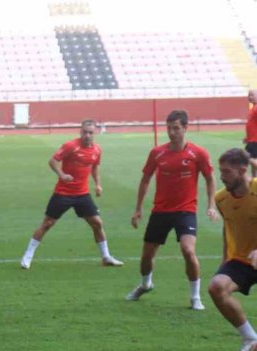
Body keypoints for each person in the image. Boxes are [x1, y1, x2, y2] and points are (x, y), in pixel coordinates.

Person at [126, 109, 217, 310]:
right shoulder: (157, 153)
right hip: (160, 211)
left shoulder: (198, 153)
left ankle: (195, 298)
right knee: (146, 257)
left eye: (176, 128)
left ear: (185, 128)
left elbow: (210, 178)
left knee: (188, 251)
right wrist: (138, 209)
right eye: (169, 128)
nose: (172, 132)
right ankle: (145, 284)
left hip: (186, 211)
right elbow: (145, 179)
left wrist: (211, 205)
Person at [20, 119, 124, 269]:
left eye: (90, 133)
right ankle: (28, 255)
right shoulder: (71, 146)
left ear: (94, 133)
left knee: (97, 223)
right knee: (47, 223)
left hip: (82, 194)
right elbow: (53, 161)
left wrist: (98, 185)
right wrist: (62, 175)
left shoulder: (96, 150)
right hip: (63, 193)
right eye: (85, 132)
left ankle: (106, 257)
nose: (87, 135)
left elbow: (94, 168)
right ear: (80, 131)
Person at [208, 148, 257, 351]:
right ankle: (250, 338)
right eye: (221, 171)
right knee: (217, 287)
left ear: (243, 171)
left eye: (226, 171)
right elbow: (227, 228)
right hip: (241, 259)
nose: (222, 176)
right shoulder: (221, 198)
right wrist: (225, 260)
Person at [245, 89, 257, 175]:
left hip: (255, 141)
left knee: (245, 156)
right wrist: (247, 138)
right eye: (249, 95)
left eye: (252, 95)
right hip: (251, 140)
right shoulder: (253, 108)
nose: (249, 97)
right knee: (254, 162)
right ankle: (254, 182)